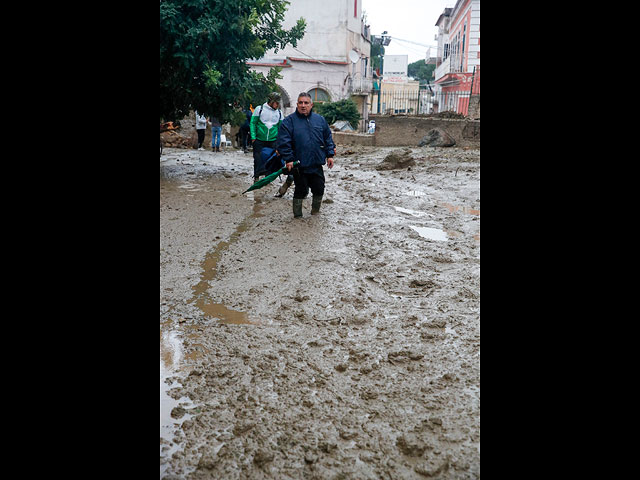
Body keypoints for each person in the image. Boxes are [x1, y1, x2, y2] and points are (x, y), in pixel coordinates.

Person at [276, 92, 336, 218]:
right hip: (299, 164)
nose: (303, 105)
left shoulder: (319, 120)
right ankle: (297, 216)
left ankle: (315, 213)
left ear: (311, 104)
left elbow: (327, 138)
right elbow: (284, 142)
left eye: (306, 103)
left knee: (319, 188)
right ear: (297, 104)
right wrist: (289, 159)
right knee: (301, 190)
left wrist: (330, 155)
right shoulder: (289, 122)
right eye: (300, 103)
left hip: (316, 163)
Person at [250, 92, 284, 182]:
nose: (278, 105)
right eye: (277, 102)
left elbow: (281, 128)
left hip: (273, 140)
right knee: (257, 159)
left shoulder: (279, 113)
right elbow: (253, 123)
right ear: (271, 101)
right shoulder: (259, 109)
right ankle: (256, 176)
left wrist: (279, 142)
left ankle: (268, 177)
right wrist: (253, 137)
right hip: (259, 139)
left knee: (271, 159)